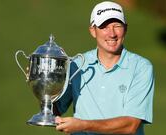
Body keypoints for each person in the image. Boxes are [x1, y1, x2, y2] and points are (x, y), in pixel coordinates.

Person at [54, 1, 155, 135]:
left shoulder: (141, 67)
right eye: (104, 26)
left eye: (117, 26)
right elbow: (55, 111)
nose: (112, 33)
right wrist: (46, 80)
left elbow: (131, 124)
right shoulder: (76, 64)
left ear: (125, 28)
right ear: (93, 31)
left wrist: (82, 125)